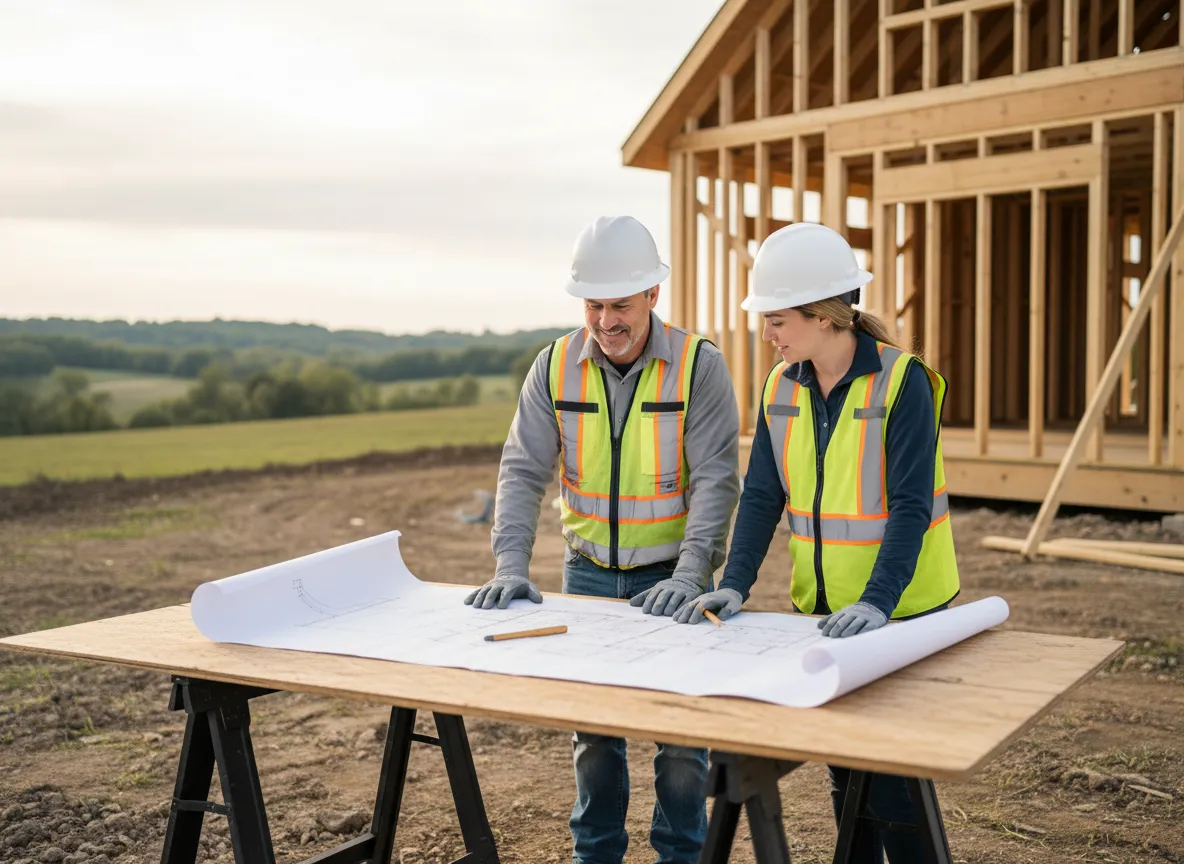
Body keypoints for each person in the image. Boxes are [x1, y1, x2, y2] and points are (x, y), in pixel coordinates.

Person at [676, 222, 960, 862]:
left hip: (903, 610)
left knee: (894, 789)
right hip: (829, 616)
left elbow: (911, 507)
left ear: (825, 316)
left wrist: (881, 601)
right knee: (846, 781)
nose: (767, 333)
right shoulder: (782, 386)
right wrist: (734, 583)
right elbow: (761, 498)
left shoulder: (901, 381)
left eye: (777, 320)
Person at [464, 215, 741, 864]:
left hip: (672, 577)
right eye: (594, 304)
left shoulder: (699, 367)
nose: (606, 321)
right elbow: (523, 468)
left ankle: (680, 856)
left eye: (621, 305)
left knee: (678, 741)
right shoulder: (554, 365)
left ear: (652, 295)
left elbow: (717, 482)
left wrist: (692, 573)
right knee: (594, 736)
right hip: (586, 574)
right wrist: (510, 562)